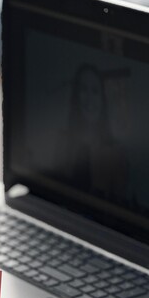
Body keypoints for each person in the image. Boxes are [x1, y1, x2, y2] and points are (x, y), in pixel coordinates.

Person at [53, 63, 131, 204]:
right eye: (83, 89)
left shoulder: (117, 153)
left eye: (95, 91)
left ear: (102, 99)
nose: (89, 98)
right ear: (76, 96)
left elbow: (119, 207)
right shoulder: (62, 141)